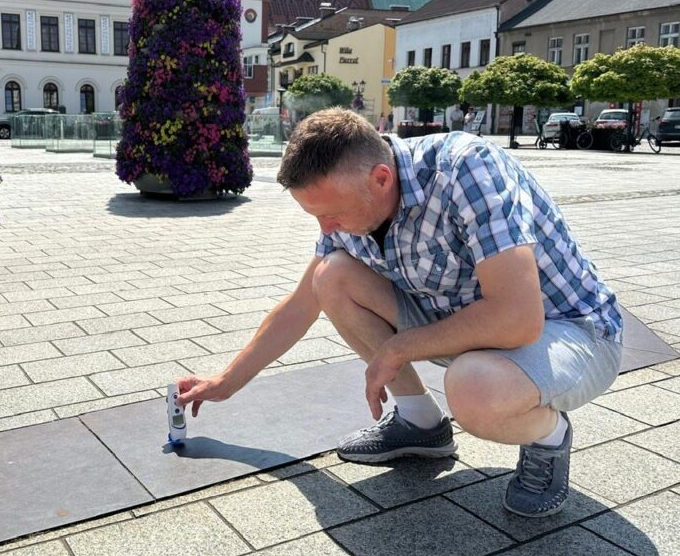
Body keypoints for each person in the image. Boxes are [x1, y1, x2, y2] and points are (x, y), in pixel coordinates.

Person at [177, 108, 622, 517]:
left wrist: (398, 348)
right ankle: (420, 423)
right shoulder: (354, 205)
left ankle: (548, 437)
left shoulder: (466, 168)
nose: (325, 228)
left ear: (382, 178)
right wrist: (225, 382)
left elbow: (517, 319)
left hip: (570, 332)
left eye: (333, 214)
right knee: (331, 275)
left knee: (474, 388)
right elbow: (299, 307)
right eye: (315, 216)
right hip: (466, 326)